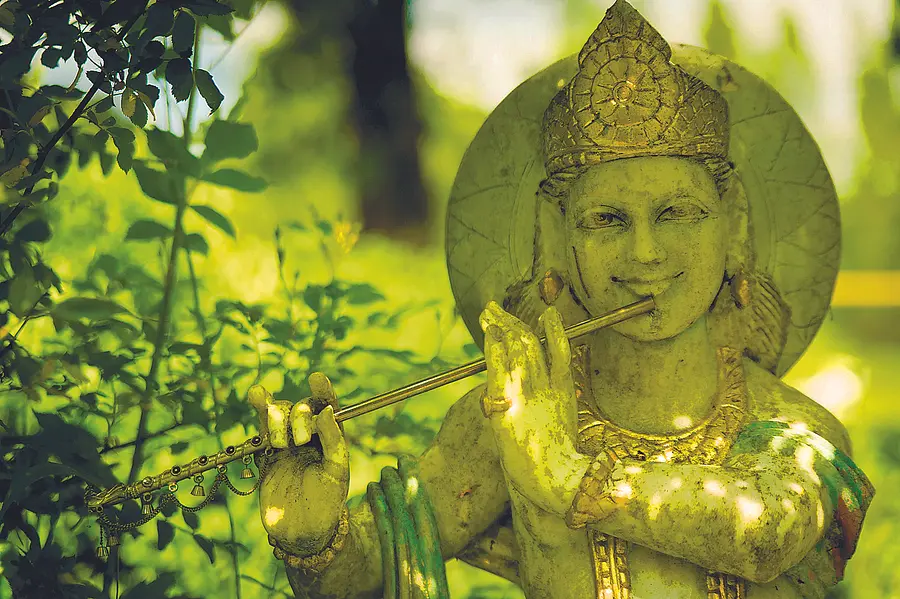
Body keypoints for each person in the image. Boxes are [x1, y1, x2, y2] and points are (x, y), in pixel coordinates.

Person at [247, 2, 874, 597]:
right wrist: (312, 536)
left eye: (678, 213)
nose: (647, 254)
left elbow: (764, 531)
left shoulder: (796, 431)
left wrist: (561, 474)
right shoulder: (512, 418)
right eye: (606, 220)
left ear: (733, 224)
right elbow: (368, 568)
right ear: (554, 234)